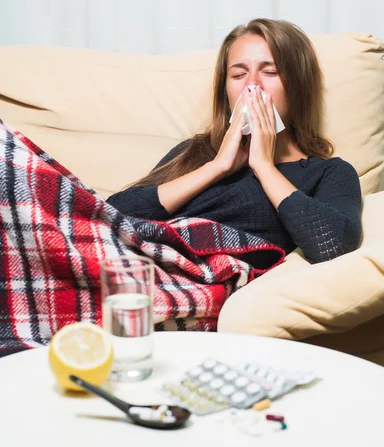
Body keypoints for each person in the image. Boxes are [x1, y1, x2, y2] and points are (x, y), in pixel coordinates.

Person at [107, 18, 362, 264]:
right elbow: (109, 216)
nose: (252, 86)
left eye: (270, 72)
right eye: (239, 75)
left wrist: (263, 166)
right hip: (142, 262)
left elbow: (334, 246)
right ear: (226, 93)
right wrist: (217, 167)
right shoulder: (195, 152)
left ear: (298, 89)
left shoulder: (329, 173)